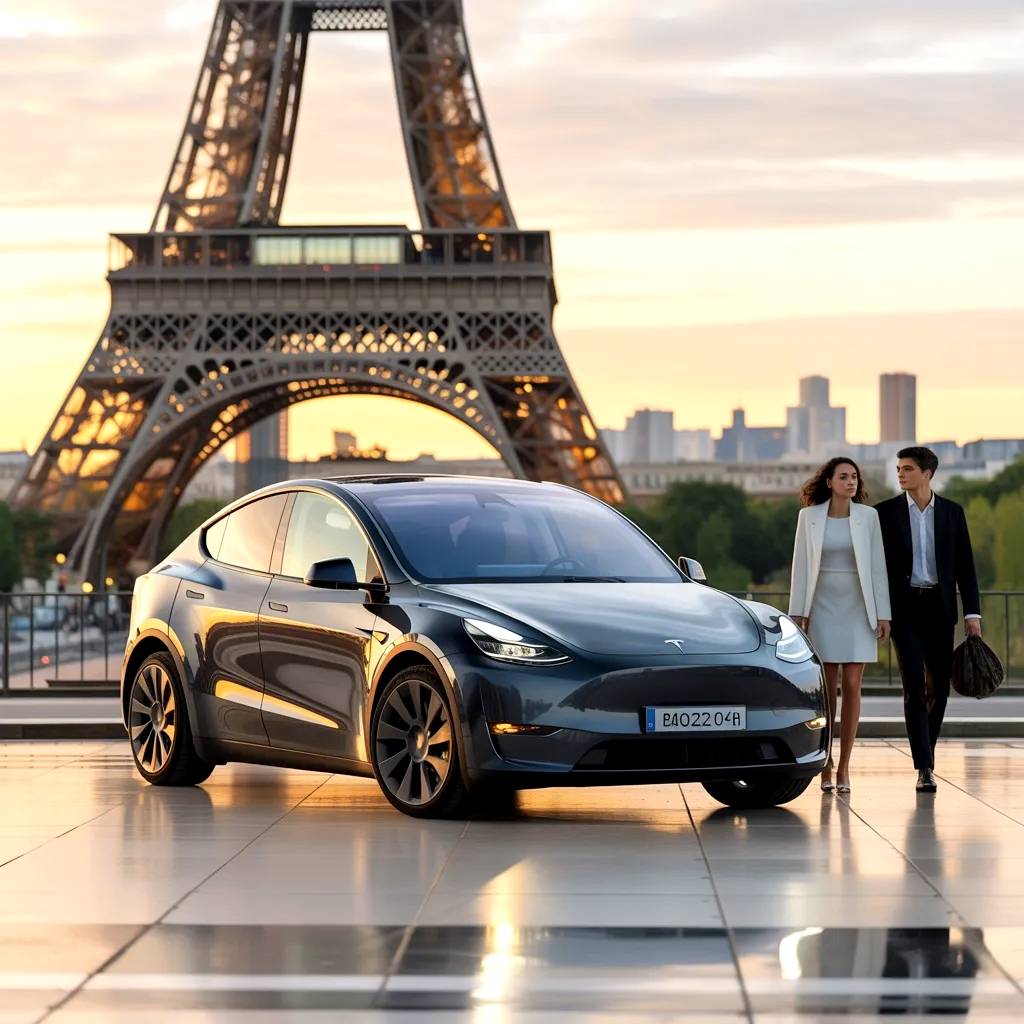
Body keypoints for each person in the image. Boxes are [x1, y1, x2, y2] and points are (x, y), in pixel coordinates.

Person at [876, 447, 981, 793]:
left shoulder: (952, 513)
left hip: (940, 609)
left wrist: (972, 614)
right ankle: (924, 767)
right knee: (914, 688)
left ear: (927, 473)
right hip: (904, 611)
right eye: (898, 469)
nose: (900, 475)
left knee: (940, 687)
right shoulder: (885, 514)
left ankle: (927, 754)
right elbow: (877, 570)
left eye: (907, 469)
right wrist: (882, 612)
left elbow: (966, 567)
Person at [789, 457, 891, 794]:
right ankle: (826, 761)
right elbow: (801, 567)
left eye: (855, 477)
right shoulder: (809, 518)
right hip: (822, 607)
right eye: (844, 477)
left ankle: (845, 765)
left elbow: (877, 568)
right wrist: (798, 612)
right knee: (827, 686)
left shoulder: (868, 518)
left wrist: (883, 613)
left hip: (858, 607)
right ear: (829, 481)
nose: (851, 482)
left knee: (852, 683)